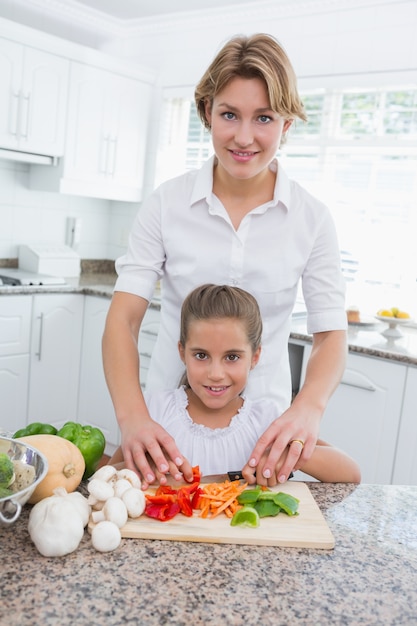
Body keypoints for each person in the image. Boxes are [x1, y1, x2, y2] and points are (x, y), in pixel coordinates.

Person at [102, 33, 348, 488]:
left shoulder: (312, 219)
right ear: (206, 113)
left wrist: (308, 410)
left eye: (265, 118)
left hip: (265, 441)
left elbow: (331, 334)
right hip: (165, 433)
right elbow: (123, 320)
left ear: (287, 124)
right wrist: (133, 416)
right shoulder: (166, 204)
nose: (244, 137)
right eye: (229, 114)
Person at [108, 284, 360, 484]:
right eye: (201, 355)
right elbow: (107, 475)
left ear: (255, 357)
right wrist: (141, 467)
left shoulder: (267, 420)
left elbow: (351, 473)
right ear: (182, 352)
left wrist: (289, 455)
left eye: (232, 357)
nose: (216, 373)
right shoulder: (154, 413)